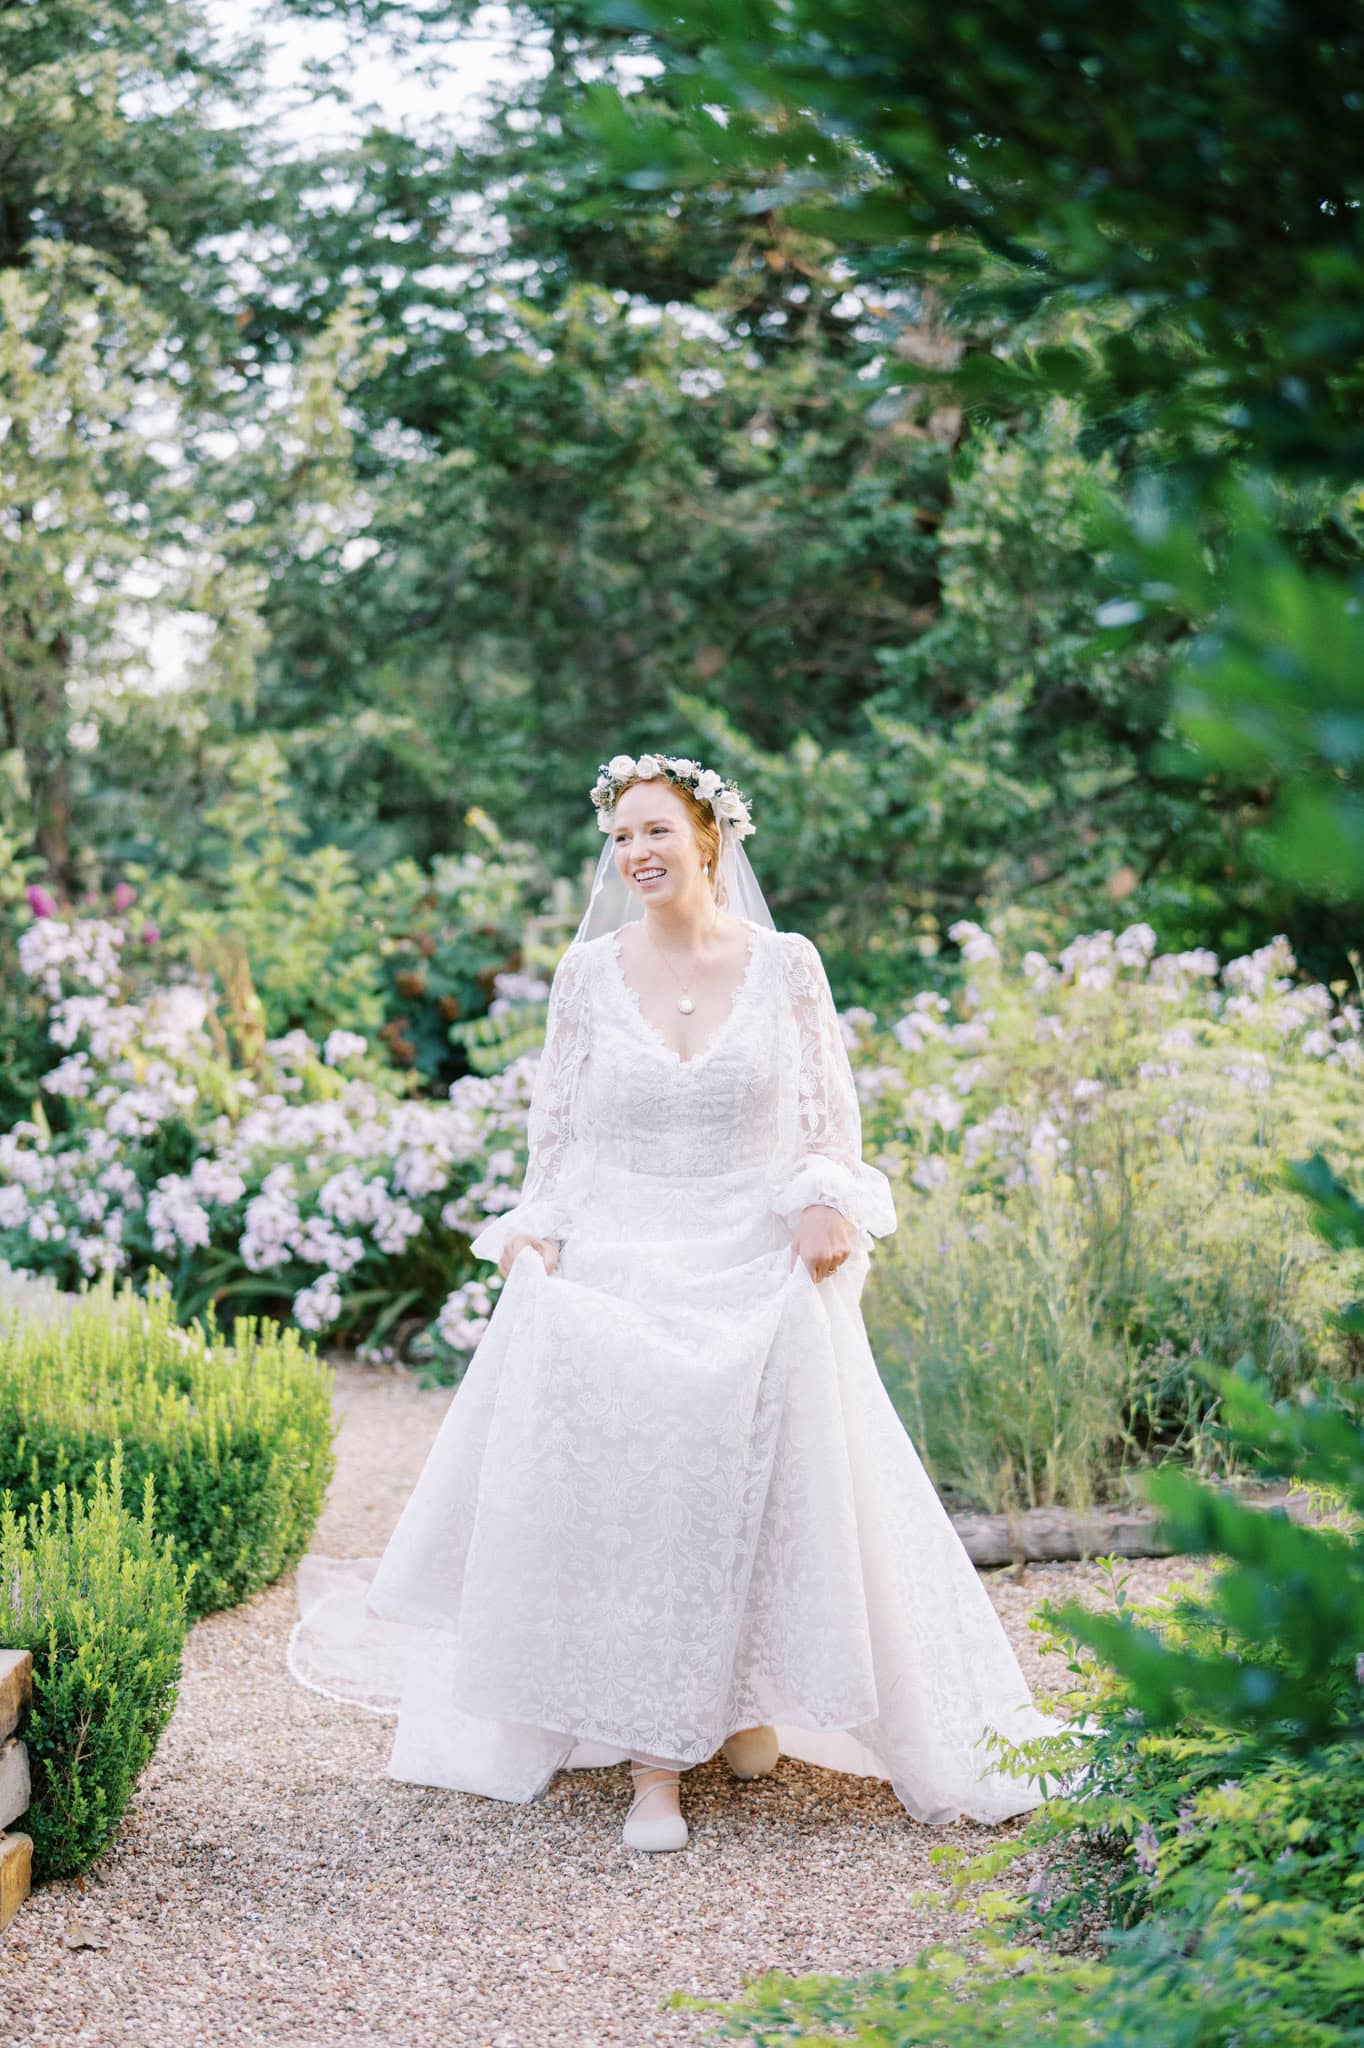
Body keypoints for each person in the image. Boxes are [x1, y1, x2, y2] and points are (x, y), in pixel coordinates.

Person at [288, 749, 1060, 1851]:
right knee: (632, 1427)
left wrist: (824, 1203)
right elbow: (553, 1142)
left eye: (654, 830)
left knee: (756, 1403)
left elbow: (825, 1125)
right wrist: (535, 1241)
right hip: (624, 1245)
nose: (635, 852)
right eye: (619, 836)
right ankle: (655, 1762)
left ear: (707, 837)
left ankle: (737, 1696)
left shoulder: (788, 964)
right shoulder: (585, 974)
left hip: (746, 1244)